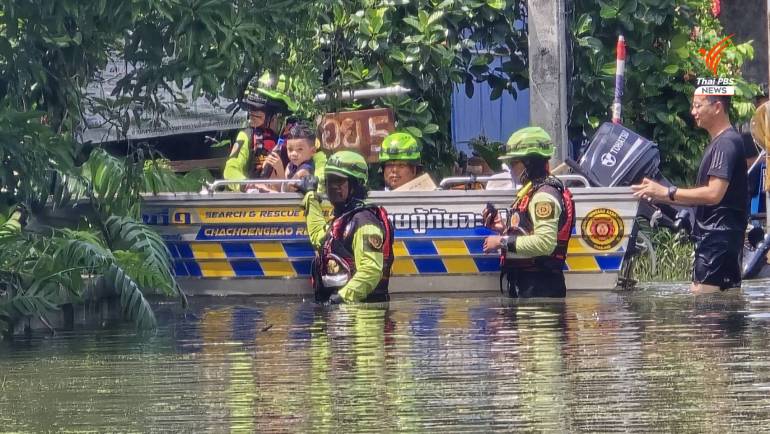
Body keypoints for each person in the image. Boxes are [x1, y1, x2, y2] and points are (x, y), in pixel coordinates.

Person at [631, 92, 748, 293]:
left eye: (697, 106)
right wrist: (660, 197)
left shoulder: (725, 144)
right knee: (726, 309)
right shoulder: (726, 141)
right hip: (723, 239)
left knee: (704, 310)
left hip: (716, 241)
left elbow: (714, 194)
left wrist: (667, 192)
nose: (693, 112)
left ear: (717, 107)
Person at [481, 127, 575, 298]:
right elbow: (529, 232)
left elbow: (545, 243)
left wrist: (501, 241)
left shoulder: (544, 196)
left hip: (540, 290)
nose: (510, 169)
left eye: (513, 163)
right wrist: (503, 228)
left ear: (529, 163)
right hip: (528, 287)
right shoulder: (532, 192)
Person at [300, 150, 394, 304]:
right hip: (339, 312)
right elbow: (319, 239)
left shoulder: (365, 222)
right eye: (329, 181)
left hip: (362, 315)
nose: (332, 187)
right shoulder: (342, 219)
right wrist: (310, 196)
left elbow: (370, 271)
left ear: (356, 184)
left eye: (339, 181)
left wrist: (342, 298)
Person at [222, 86, 292, 190]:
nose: (252, 121)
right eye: (251, 115)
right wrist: (248, 186)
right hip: (253, 200)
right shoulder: (247, 136)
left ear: (275, 117)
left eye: (258, 116)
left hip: (282, 200)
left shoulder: (291, 140)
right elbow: (230, 169)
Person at [261, 122, 317, 192]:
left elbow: (286, 191)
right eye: (290, 149)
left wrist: (280, 169)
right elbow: (279, 187)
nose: (293, 153)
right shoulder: (290, 165)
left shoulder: (305, 169)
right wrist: (271, 168)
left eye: (300, 149)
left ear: (313, 151)